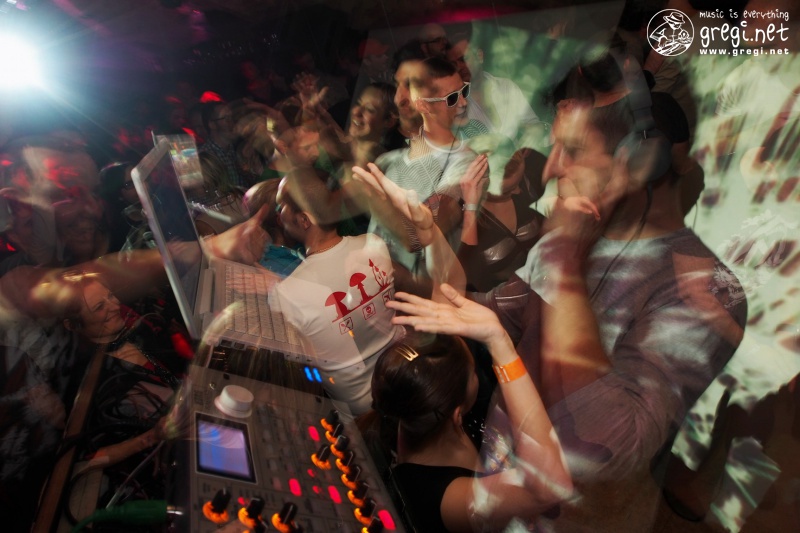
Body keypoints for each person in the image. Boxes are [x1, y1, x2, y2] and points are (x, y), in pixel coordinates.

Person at [372, 288, 572, 532]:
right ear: (457, 415)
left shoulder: (407, 403)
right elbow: (550, 488)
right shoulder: (442, 499)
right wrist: (501, 346)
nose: (478, 373)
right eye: (474, 372)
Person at [269, 166, 464, 417]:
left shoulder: (287, 294)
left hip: (360, 412)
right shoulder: (373, 245)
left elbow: (295, 370)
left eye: (280, 206)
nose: (278, 214)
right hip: (406, 382)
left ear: (305, 220)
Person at [370, 56, 475, 274]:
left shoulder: (464, 162)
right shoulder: (387, 162)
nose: (463, 102)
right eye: (453, 98)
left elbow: (419, 236)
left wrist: (371, 197)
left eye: (463, 91)